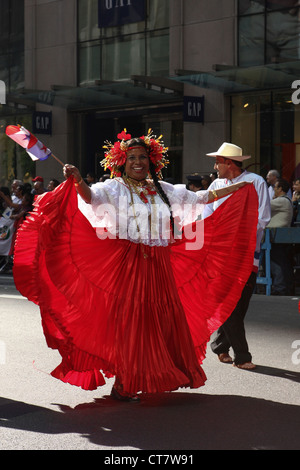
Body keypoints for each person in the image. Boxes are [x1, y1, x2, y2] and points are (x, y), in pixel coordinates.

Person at [13, 130, 258, 401]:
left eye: (142, 157)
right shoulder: (114, 187)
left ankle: (156, 373)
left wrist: (237, 188)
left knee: (159, 324)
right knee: (132, 325)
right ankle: (124, 381)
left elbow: (202, 199)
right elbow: (89, 198)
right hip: (128, 265)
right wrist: (79, 179)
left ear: (151, 161)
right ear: (122, 161)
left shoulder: (164, 189)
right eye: (131, 158)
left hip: (159, 265)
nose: (138, 161)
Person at [203, 142, 271, 370]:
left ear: (229, 163)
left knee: (240, 304)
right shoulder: (216, 184)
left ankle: (220, 345)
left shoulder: (256, 182)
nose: (215, 166)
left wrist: (239, 234)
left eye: (218, 162)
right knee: (231, 304)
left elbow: (263, 217)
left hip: (247, 252)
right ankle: (243, 356)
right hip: (222, 254)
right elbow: (207, 215)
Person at [267, 178, 294, 295]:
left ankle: (280, 288)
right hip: (279, 237)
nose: (273, 190)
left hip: (277, 237)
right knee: (283, 263)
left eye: (275, 187)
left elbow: (264, 205)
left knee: (277, 263)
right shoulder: (285, 200)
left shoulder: (282, 201)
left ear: (280, 189)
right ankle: (285, 287)